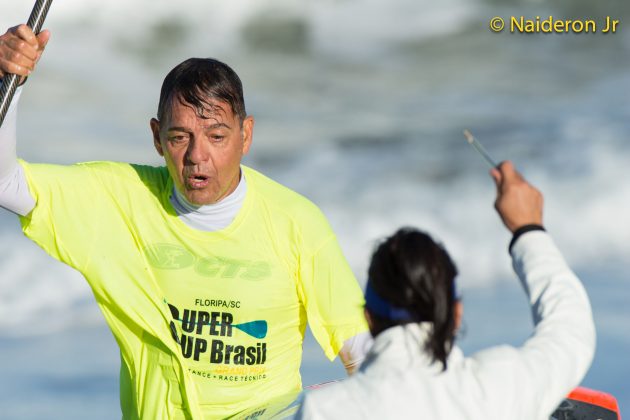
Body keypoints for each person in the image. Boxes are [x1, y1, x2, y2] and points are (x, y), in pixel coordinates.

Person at [0, 24, 370, 418]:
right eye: (179, 137)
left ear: (245, 135)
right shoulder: (120, 201)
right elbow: (6, 182)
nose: (197, 155)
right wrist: (9, 82)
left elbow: (361, 349)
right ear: (157, 138)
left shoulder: (296, 222)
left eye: (216, 135)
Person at [296, 161, 596, 419]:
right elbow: (570, 330)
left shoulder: (325, 411)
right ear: (457, 312)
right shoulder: (500, 386)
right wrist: (528, 231)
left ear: (368, 319)